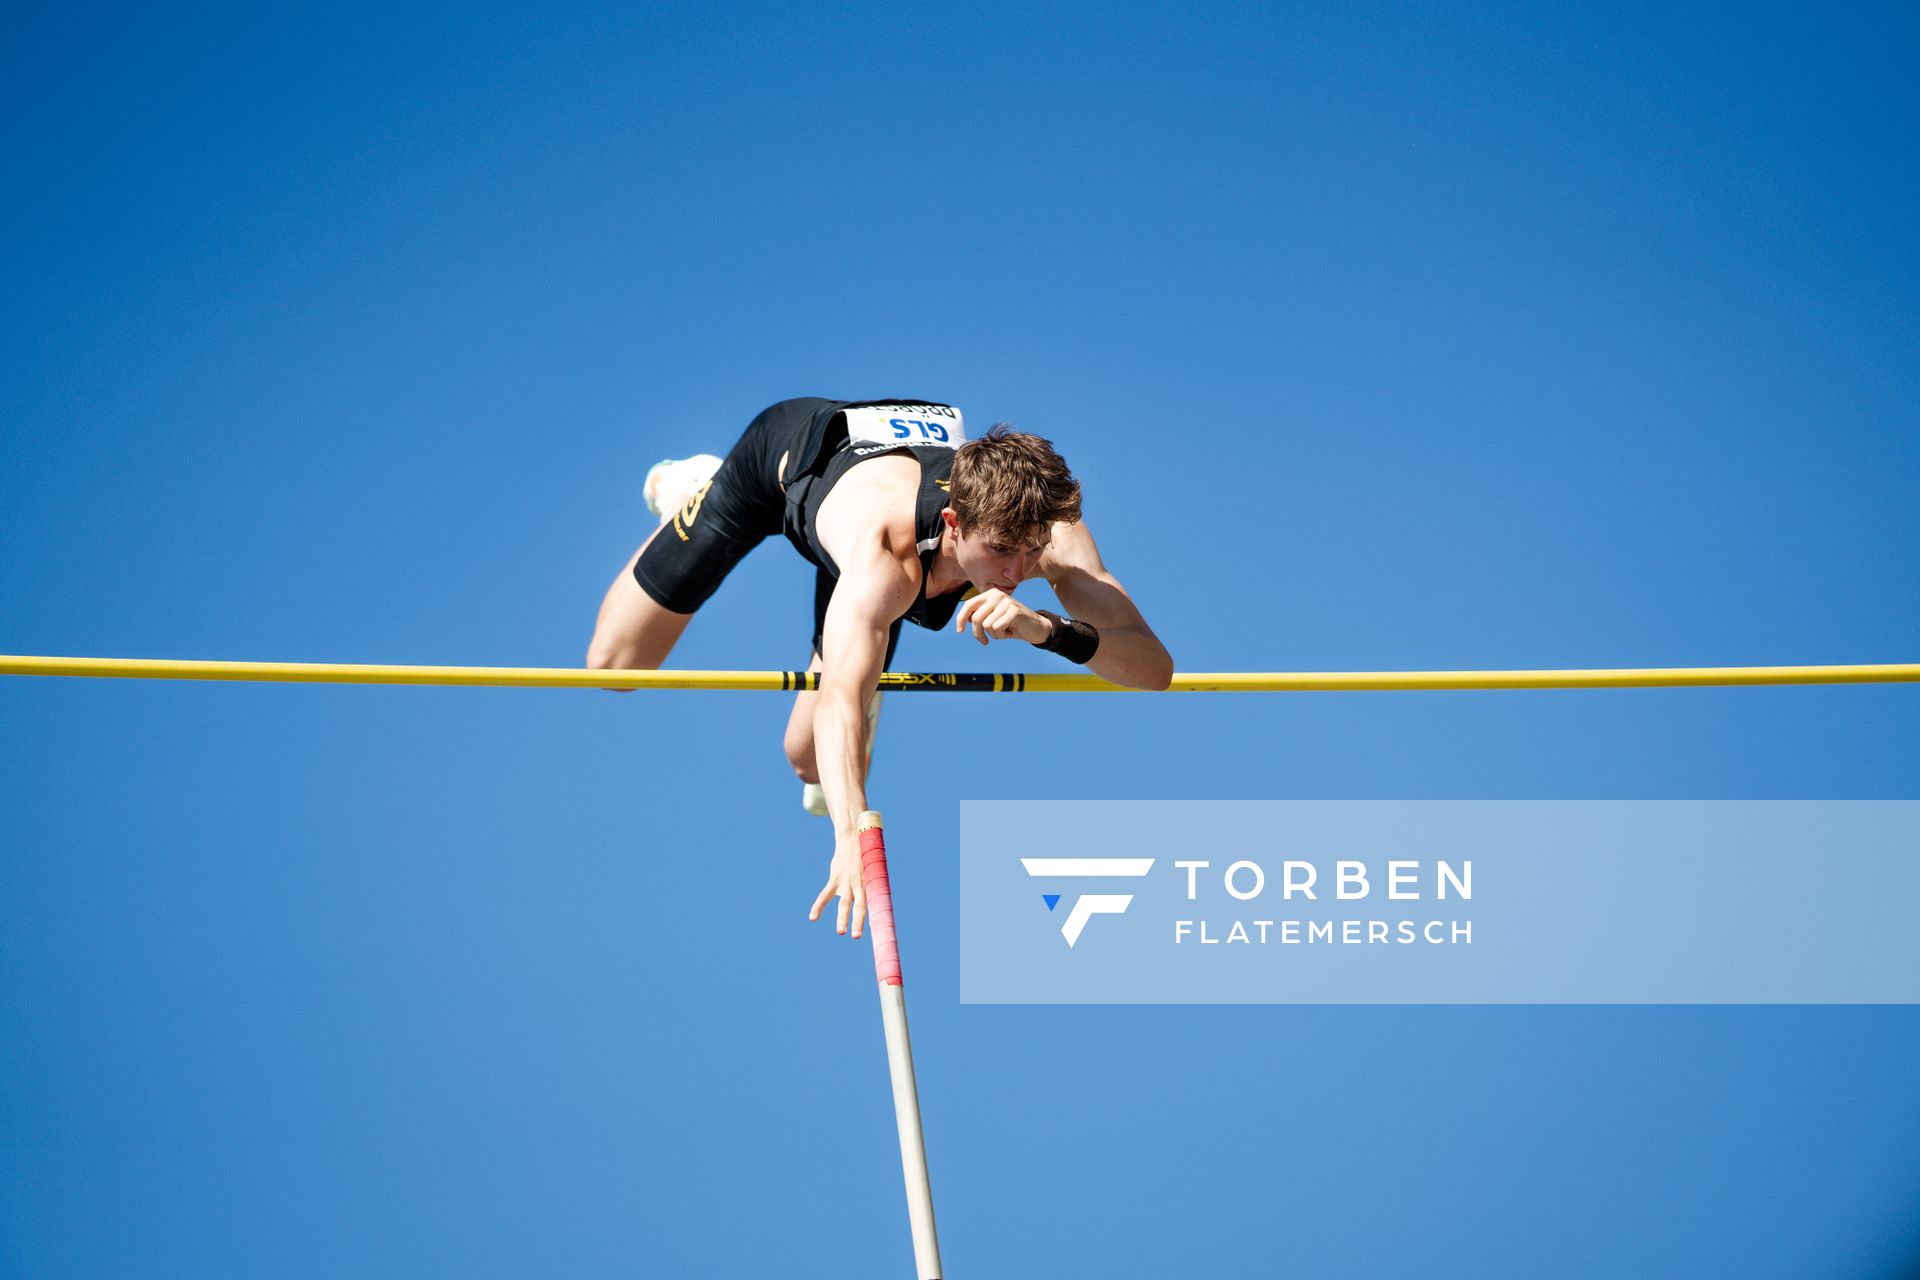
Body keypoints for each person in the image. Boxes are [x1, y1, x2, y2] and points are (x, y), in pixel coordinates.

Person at [587, 397, 1173, 940]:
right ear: (953, 523)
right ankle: (694, 484)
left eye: (1031, 549)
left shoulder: (1053, 533)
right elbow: (840, 698)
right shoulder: (884, 557)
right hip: (782, 467)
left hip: (878, 502)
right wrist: (850, 834)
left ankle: (866, 653)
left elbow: (1153, 668)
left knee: (808, 759)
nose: (1018, 572)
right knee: (615, 667)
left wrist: (1046, 629)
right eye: (1000, 550)